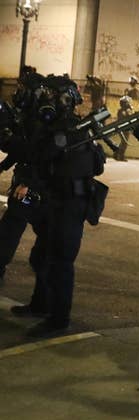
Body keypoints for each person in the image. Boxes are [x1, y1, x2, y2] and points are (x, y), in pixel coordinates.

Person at [14, 74, 106, 338]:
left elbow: (92, 165)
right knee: (43, 256)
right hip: (55, 200)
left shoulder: (73, 130)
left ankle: (58, 318)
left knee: (60, 262)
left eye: (52, 96)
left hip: (70, 203)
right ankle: (42, 305)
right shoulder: (58, 129)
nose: (47, 101)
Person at [0, 69, 44, 286]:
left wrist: (28, 183)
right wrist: (3, 166)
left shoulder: (40, 121)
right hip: (29, 183)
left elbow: (38, 155)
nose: (19, 92)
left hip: (32, 187)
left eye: (22, 89)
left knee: (12, 227)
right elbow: (22, 151)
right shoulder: (29, 116)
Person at [112, 95, 133, 161]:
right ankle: (120, 156)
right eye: (128, 102)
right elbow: (129, 117)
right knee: (124, 143)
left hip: (121, 128)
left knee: (123, 142)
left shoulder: (121, 110)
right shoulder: (125, 110)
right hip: (124, 128)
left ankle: (116, 154)